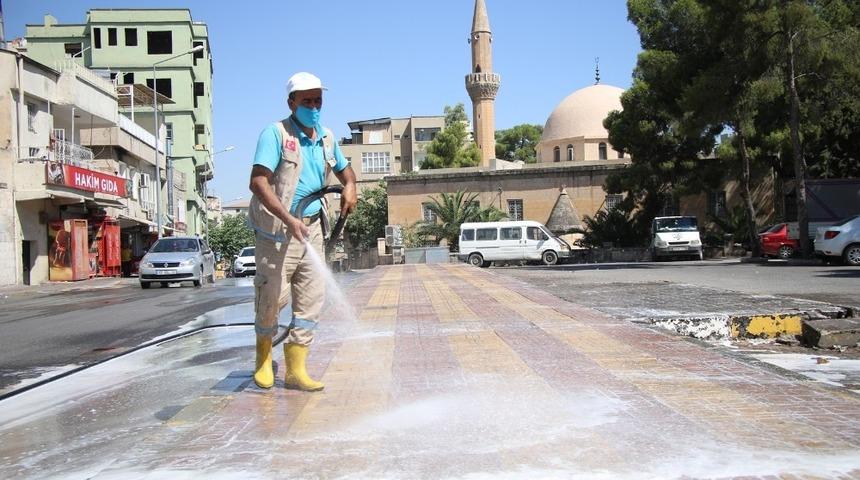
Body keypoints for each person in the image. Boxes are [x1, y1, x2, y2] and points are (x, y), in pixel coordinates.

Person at [247, 72, 357, 391]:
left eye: (318, 100)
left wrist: (350, 186)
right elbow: (258, 182)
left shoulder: (326, 137)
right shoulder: (276, 134)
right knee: (271, 299)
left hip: (312, 230)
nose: (314, 106)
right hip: (278, 233)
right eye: (307, 101)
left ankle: (296, 369)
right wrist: (287, 218)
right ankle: (264, 360)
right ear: (291, 102)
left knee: (311, 301)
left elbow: (346, 172)